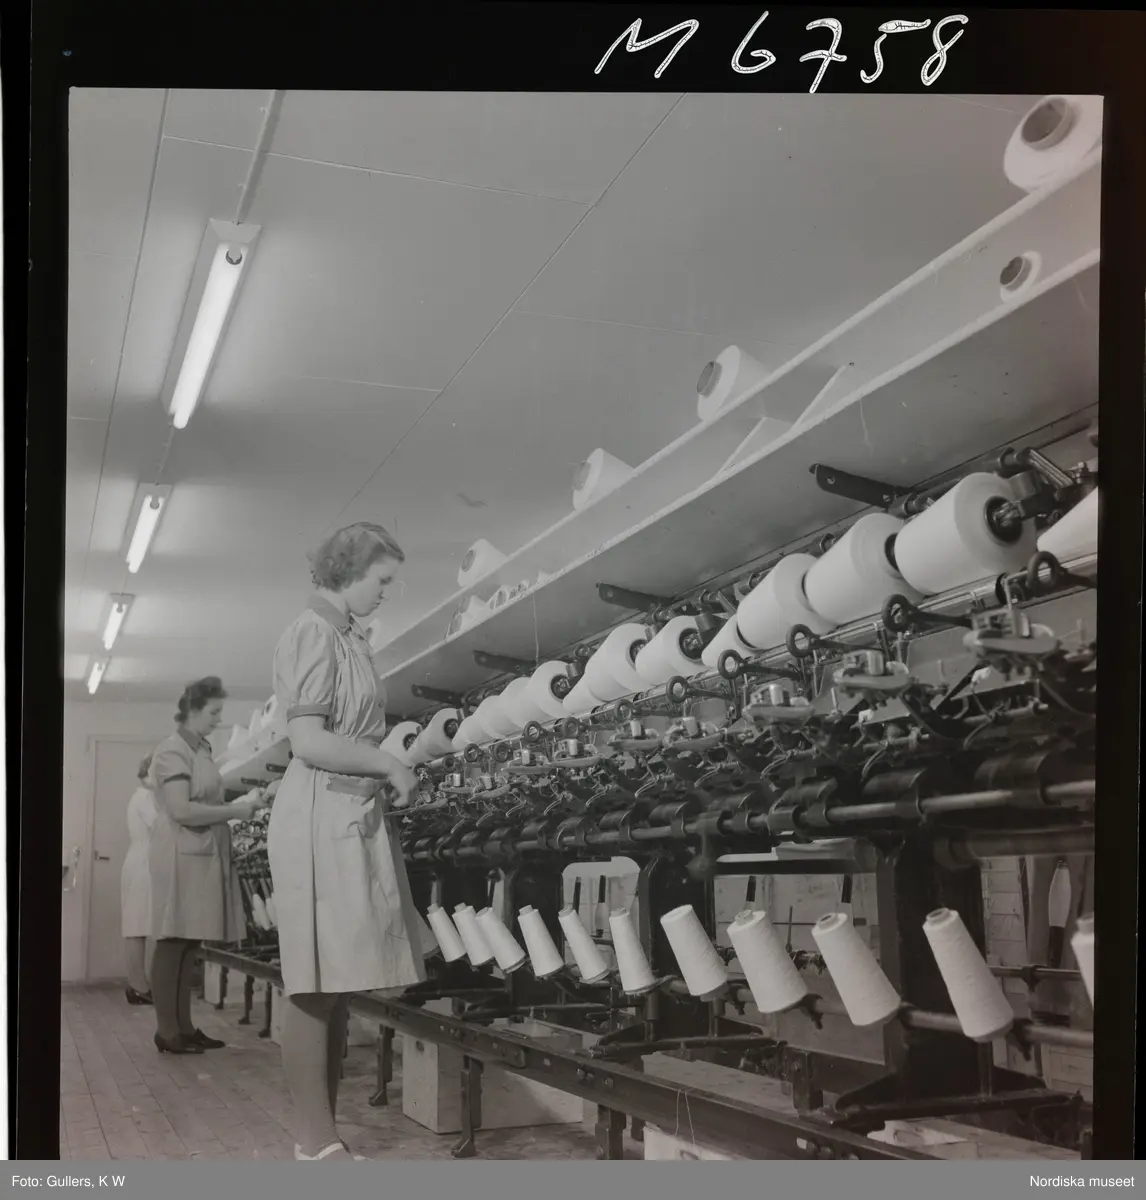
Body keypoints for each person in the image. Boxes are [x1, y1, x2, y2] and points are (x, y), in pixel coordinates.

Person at [268, 522, 424, 1161]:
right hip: (317, 814)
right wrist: (388, 763)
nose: (386, 591)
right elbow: (308, 741)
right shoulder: (312, 632)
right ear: (349, 570)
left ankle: (322, 1141)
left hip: (344, 812)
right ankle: (314, 1144)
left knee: (333, 982)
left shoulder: (347, 637)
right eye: (381, 579)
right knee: (313, 982)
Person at [148, 677, 266, 1054]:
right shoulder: (172, 751)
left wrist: (243, 804)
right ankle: (167, 1031)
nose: (218, 719)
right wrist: (235, 810)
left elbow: (205, 799)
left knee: (189, 940)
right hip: (179, 852)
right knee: (173, 939)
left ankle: (183, 1027)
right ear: (193, 710)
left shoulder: (200, 749)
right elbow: (181, 810)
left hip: (199, 851)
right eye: (214, 712)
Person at [121, 755, 158, 1004]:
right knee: (137, 927)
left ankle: (139, 985)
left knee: (138, 925)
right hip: (143, 863)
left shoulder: (145, 796)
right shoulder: (145, 797)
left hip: (141, 861)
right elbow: (161, 826)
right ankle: (138, 986)